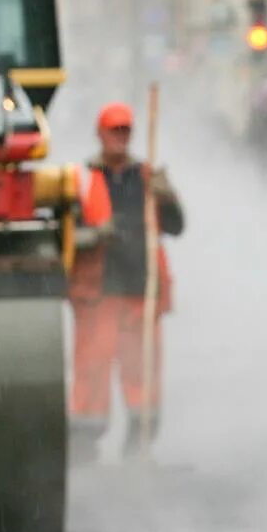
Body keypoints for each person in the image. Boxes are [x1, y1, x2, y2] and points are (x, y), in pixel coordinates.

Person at [69, 102, 185, 452]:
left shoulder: (149, 178)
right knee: (91, 370)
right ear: (100, 134)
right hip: (98, 293)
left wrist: (168, 199)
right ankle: (85, 443)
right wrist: (96, 235)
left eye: (126, 131)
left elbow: (176, 227)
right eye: (114, 131)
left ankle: (140, 444)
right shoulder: (82, 179)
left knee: (143, 370)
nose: (121, 138)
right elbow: (66, 237)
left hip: (141, 290)